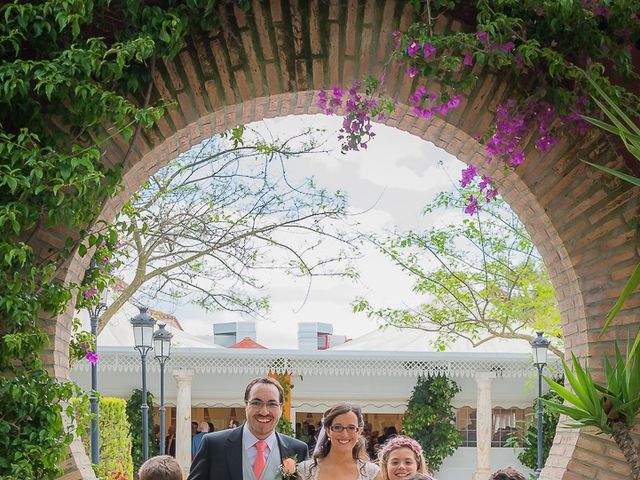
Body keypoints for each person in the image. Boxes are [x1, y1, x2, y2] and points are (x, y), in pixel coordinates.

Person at [188, 376, 308, 480]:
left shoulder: (298, 450)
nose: (264, 411)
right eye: (256, 403)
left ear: (281, 409)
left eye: (272, 404)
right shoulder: (214, 445)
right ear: (246, 405)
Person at [297, 403, 380, 480]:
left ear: (359, 431)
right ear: (328, 430)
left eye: (351, 428)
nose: (344, 434)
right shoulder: (305, 471)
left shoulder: (372, 474)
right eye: (337, 427)